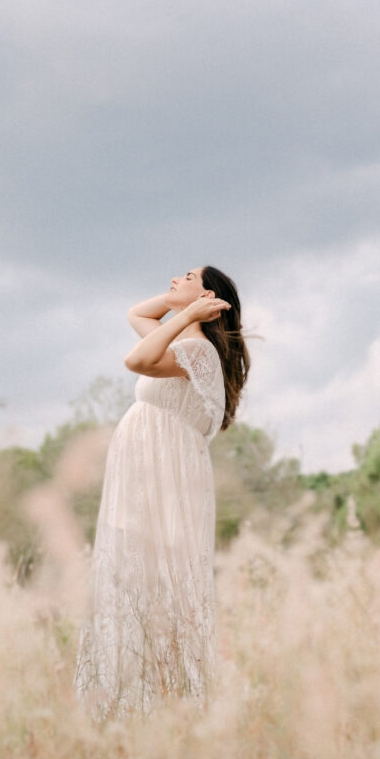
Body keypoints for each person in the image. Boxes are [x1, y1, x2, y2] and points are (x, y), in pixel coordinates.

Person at [76, 264, 248, 718]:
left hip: (164, 470)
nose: (174, 278)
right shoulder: (180, 339)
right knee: (136, 574)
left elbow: (135, 361)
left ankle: (171, 695)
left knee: (160, 577)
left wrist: (187, 312)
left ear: (207, 295)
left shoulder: (199, 350)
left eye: (187, 275)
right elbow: (137, 313)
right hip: (144, 468)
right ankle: (139, 691)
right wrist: (184, 305)